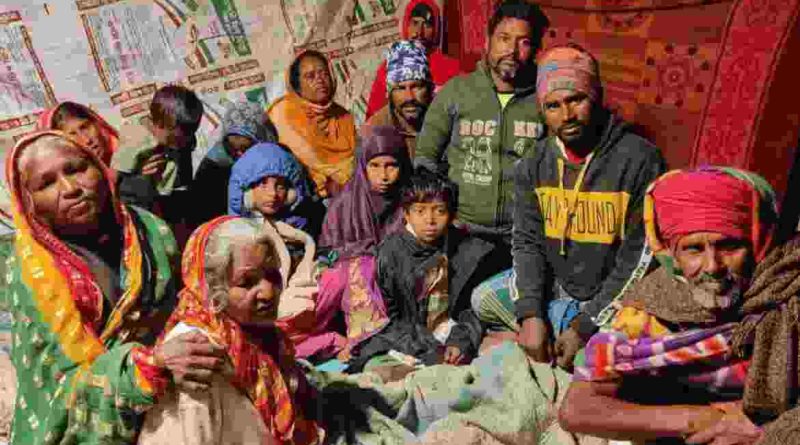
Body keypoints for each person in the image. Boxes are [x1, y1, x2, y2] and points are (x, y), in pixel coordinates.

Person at [4, 131, 226, 444]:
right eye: (47, 184)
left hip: (176, 392)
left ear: (99, 167)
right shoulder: (33, 275)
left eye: (76, 169)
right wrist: (149, 366)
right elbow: (61, 390)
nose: (70, 188)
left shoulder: (150, 231)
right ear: (29, 204)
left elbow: (187, 306)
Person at [558, 166, 793, 444]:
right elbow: (577, 409)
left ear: (758, 243)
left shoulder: (788, 291)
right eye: (694, 249)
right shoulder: (654, 300)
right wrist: (709, 420)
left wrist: (766, 433)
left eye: (729, 246)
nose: (712, 266)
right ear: (672, 254)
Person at [471, 44, 666, 371]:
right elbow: (527, 244)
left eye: (576, 100)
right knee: (482, 299)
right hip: (557, 287)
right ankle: (552, 332)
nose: (567, 115)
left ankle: (561, 337)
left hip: (611, 295)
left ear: (596, 96)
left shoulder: (640, 159)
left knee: (635, 335)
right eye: (553, 105)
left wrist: (583, 327)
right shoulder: (534, 163)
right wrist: (531, 315)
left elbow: (638, 261)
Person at [138, 217, 321, 445]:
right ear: (214, 286)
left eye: (273, 276)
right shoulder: (195, 351)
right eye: (247, 282)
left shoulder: (263, 336)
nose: (268, 293)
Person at [414, 0, 547, 261]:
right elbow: (425, 159)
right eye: (504, 38)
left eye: (524, 42)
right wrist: (441, 217)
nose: (511, 51)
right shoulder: (457, 91)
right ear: (488, 41)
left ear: (535, 50)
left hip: (524, 236)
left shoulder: (545, 99)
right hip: (462, 231)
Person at [349, 169, 505, 372]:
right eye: (420, 211)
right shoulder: (387, 255)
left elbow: (472, 308)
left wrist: (460, 340)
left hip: (451, 332)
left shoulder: (468, 251)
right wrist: (429, 347)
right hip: (404, 342)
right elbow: (385, 320)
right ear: (406, 214)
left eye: (439, 211)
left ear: (451, 214)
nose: (430, 220)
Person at [294, 125, 411, 362]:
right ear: (363, 166)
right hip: (349, 290)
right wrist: (362, 256)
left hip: (396, 283)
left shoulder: (410, 200)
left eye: (391, 165)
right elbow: (328, 253)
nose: (384, 175)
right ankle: (363, 340)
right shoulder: (345, 203)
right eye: (375, 166)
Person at [113, 85, 203, 245]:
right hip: (141, 200)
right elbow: (115, 175)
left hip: (170, 196)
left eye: (188, 137)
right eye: (174, 140)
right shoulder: (137, 141)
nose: (181, 144)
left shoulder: (182, 138)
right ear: (158, 124)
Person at [267, 50, 356, 200]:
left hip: (349, 191)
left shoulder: (343, 116)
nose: (320, 80)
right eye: (310, 76)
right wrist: (326, 183)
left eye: (324, 74)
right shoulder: (282, 115)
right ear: (297, 86)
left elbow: (356, 163)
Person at [364, 0, 463, 119]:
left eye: (427, 25)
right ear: (406, 25)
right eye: (415, 23)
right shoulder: (389, 68)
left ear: (436, 29)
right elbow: (373, 119)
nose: (419, 32)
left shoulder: (452, 69)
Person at [191, 100, 278, 227]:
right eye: (232, 148)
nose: (239, 155)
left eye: (245, 148)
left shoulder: (276, 162)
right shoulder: (213, 168)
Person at [365, 40, 433, 158]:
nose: (409, 97)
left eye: (416, 87)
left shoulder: (447, 118)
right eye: (400, 88)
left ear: (429, 88)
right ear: (390, 93)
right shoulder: (374, 130)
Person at [36, 101, 119, 165]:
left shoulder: (123, 155)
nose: (87, 140)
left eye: (85, 127)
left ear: (97, 123)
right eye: (73, 134)